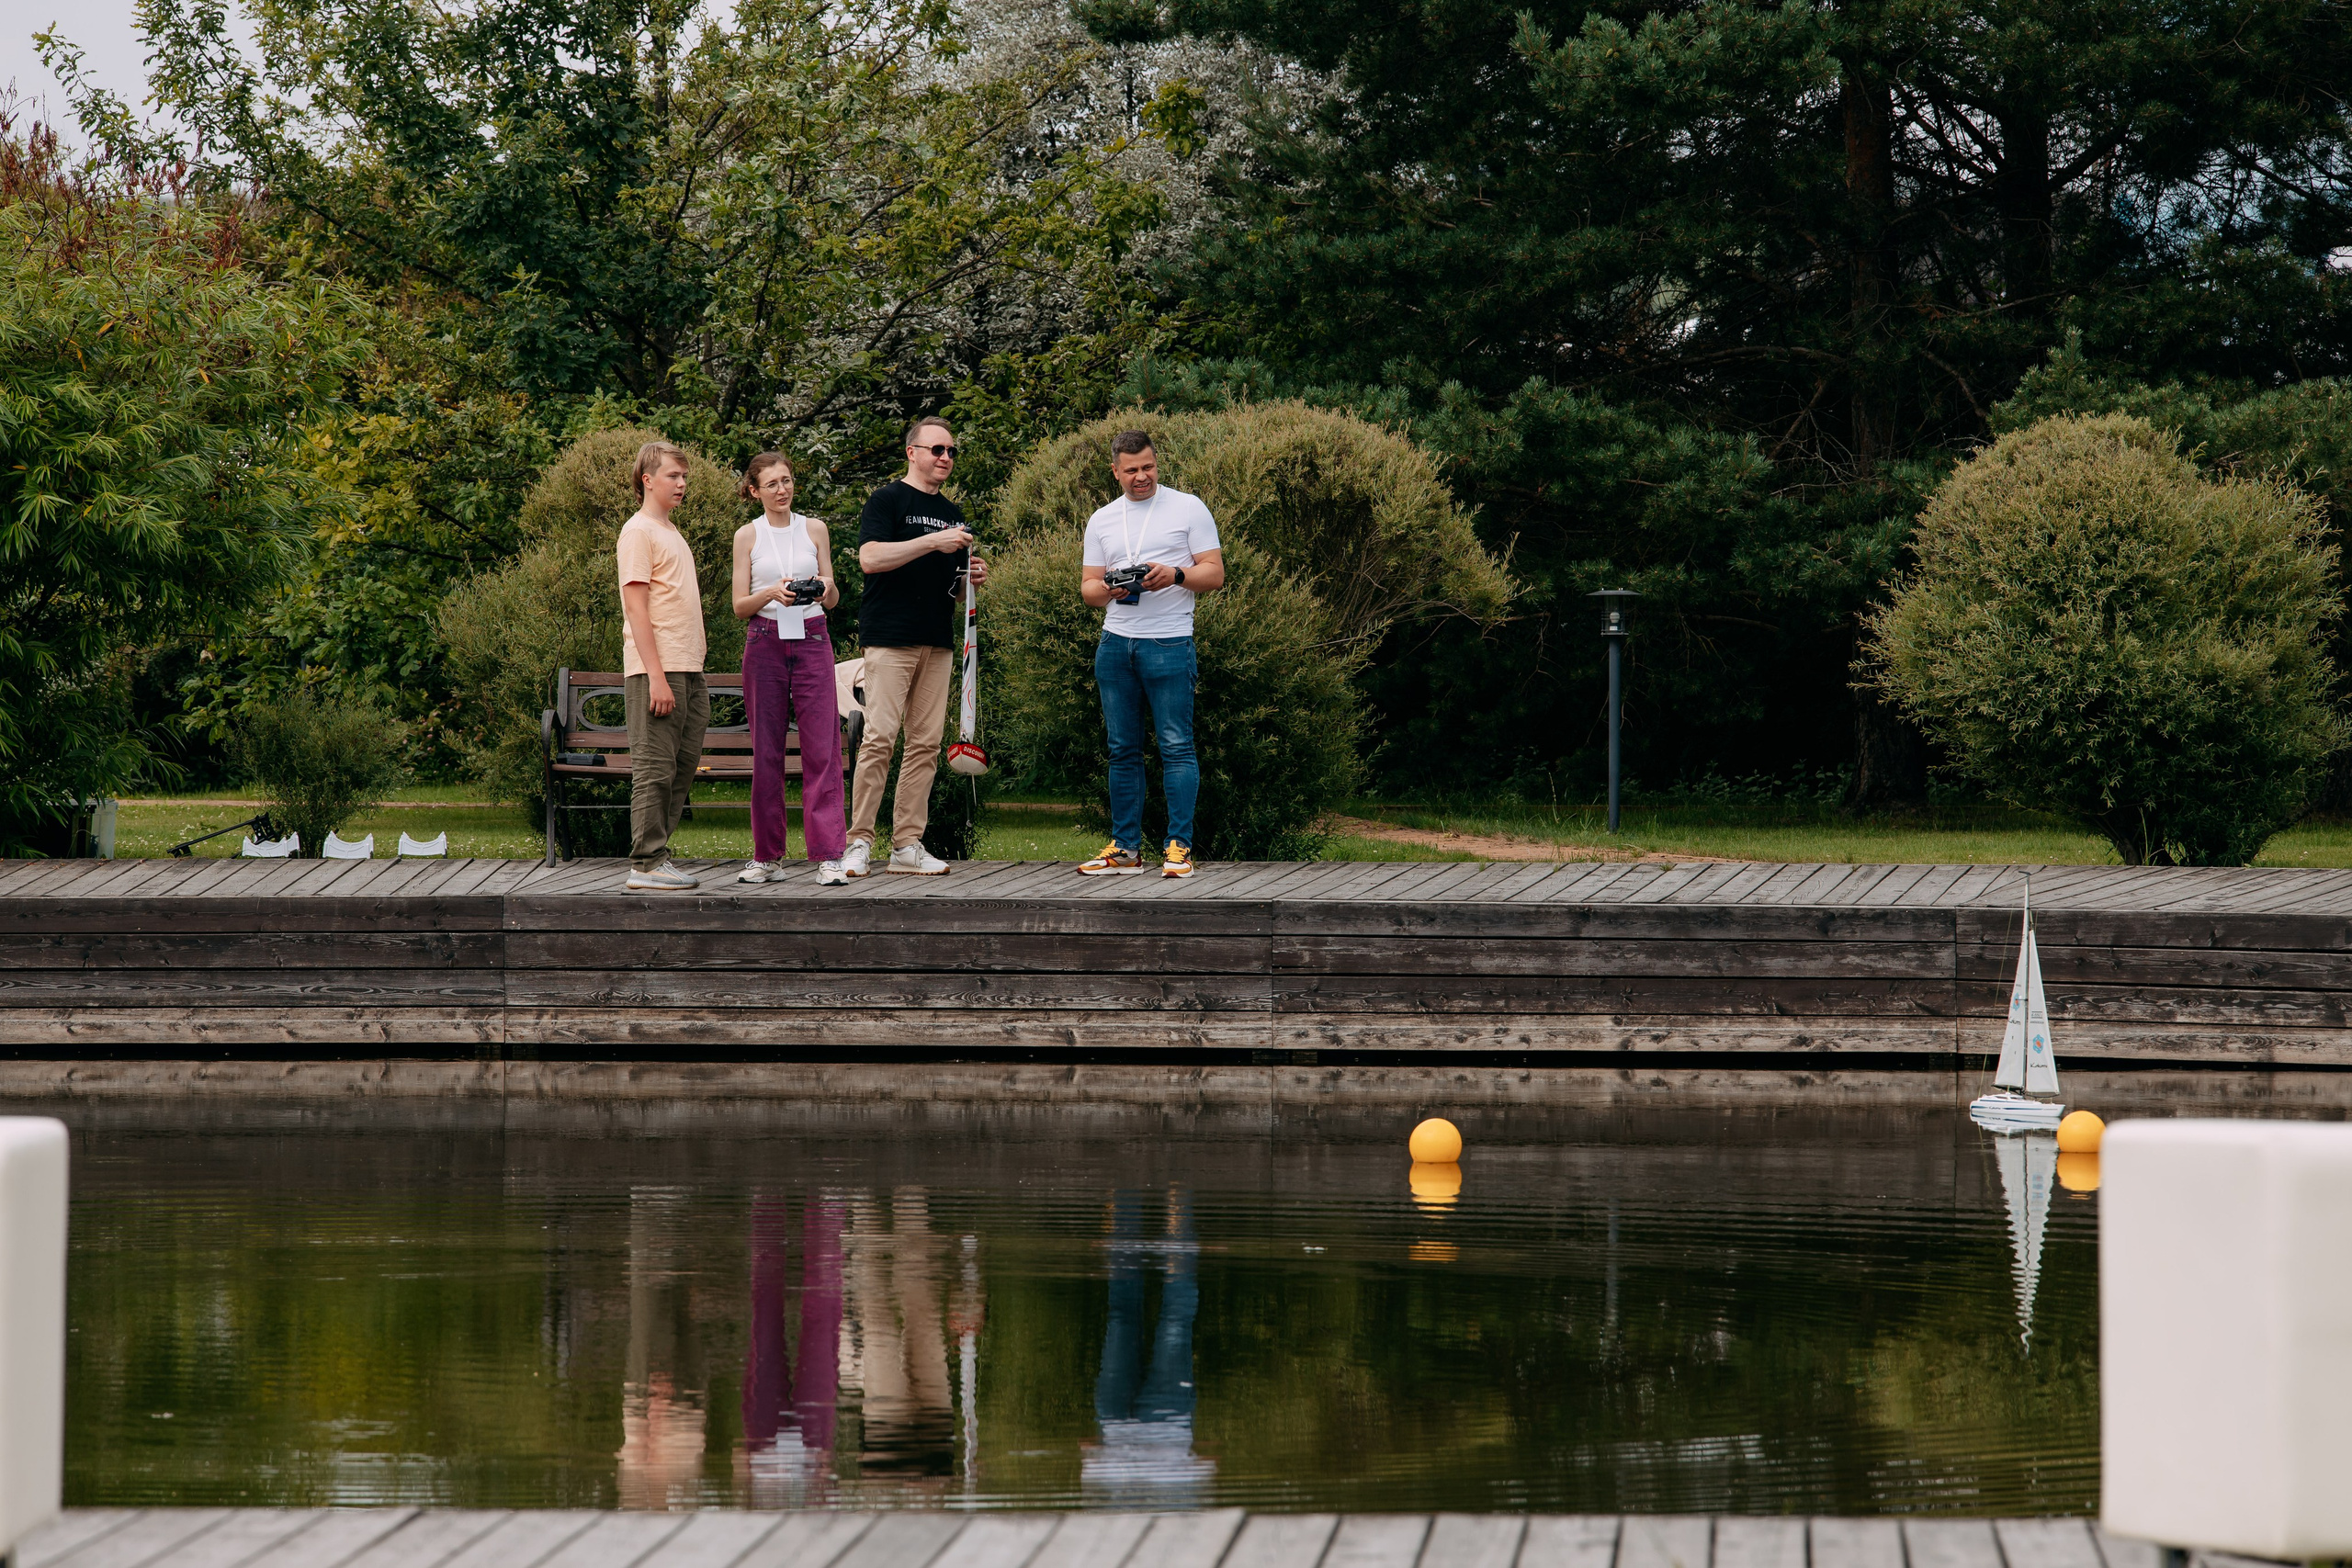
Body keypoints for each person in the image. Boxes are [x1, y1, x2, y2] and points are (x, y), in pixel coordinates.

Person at [843, 416, 988, 876]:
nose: (945, 458)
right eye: (936, 450)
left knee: (924, 744)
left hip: (938, 640)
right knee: (879, 739)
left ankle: (907, 845)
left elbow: (956, 590)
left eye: (951, 451)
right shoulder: (887, 500)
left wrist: (971, 579)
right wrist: (932, 542)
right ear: (913, 452)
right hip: (889, 637)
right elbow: (870, 558)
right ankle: (859, 842)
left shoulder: (953, 512)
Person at [1078, 431, 1225, 877]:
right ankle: (1125, 850)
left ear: (1156, 463)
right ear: (1115, 470)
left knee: (1176, 747)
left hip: (1169, 642)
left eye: (1148, 467)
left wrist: (1176, 574)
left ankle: (1178, 847)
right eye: (1132, 470)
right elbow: (1087, 589)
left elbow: (1215, 574)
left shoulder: (1188, 507)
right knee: (1122, 750)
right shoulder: (1101, 519)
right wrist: (1108, 589)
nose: (1141, 476)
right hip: (1115, 643)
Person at [729, 452, 849, 886]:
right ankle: (768, 857)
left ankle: (830, 855)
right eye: (773, 484)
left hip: (814, 637)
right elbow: (739, 606)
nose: (783, 490)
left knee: (823, 749)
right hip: (765, 641)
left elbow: (833, 597)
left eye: (788, 481)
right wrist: (771, 595)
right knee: (767, 752)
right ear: (754, 491)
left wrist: (825, 589)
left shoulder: (814, 528)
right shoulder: (748, 535)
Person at [617, 441, 709, 891]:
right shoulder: (638, 532)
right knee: (654, 769)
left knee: (681, 767)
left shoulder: (670, 531)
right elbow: (636, 609)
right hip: (659, 670)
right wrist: (656, 675)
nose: (682, 484)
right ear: (647, 480)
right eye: (674, 476)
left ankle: (658, 857)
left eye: (684, 477)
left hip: (688, 669)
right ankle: (646, 864)